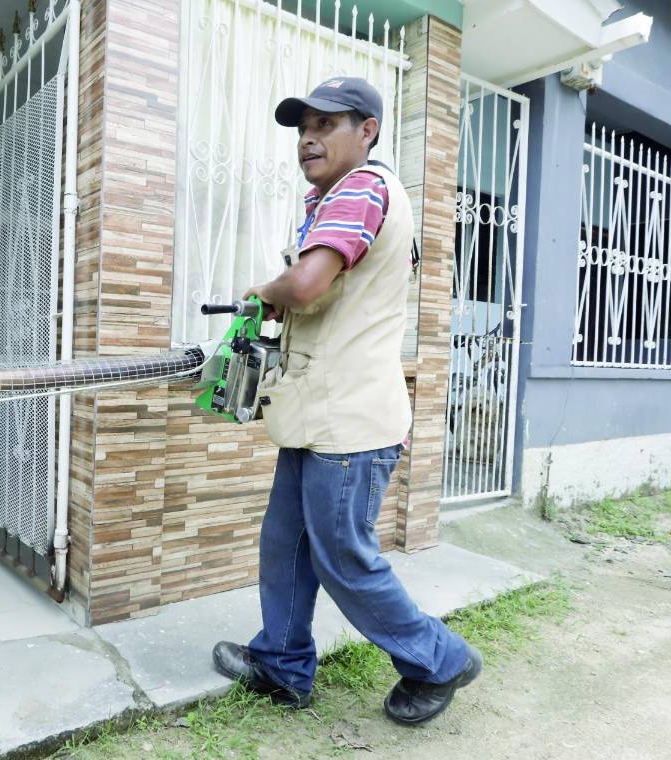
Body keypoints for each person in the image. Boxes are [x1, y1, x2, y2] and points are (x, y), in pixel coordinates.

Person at [211, 77, 482, 726]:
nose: (309, 137)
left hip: (349, 425)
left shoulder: (362, 187)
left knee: (344, 562)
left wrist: (262, 291)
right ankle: (282, 663)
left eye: (327, 124)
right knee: (286, 546)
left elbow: (304, 285)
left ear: (368, 131)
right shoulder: (337, 198)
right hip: (317, 417)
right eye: (303, 126)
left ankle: (440, 658)